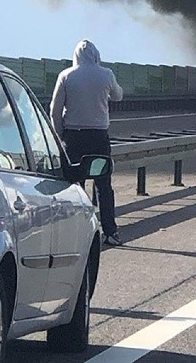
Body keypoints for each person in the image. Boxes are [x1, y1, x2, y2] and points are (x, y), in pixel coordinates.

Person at [50, 40, 124, 246]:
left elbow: (55, 109)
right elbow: (118, 95)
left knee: (74, 186)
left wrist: (59, 135)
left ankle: (75, 233)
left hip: (73, 137)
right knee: (103, 184)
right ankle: (110, 231)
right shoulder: (106, 74)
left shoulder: (66, 75)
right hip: (99, 137)